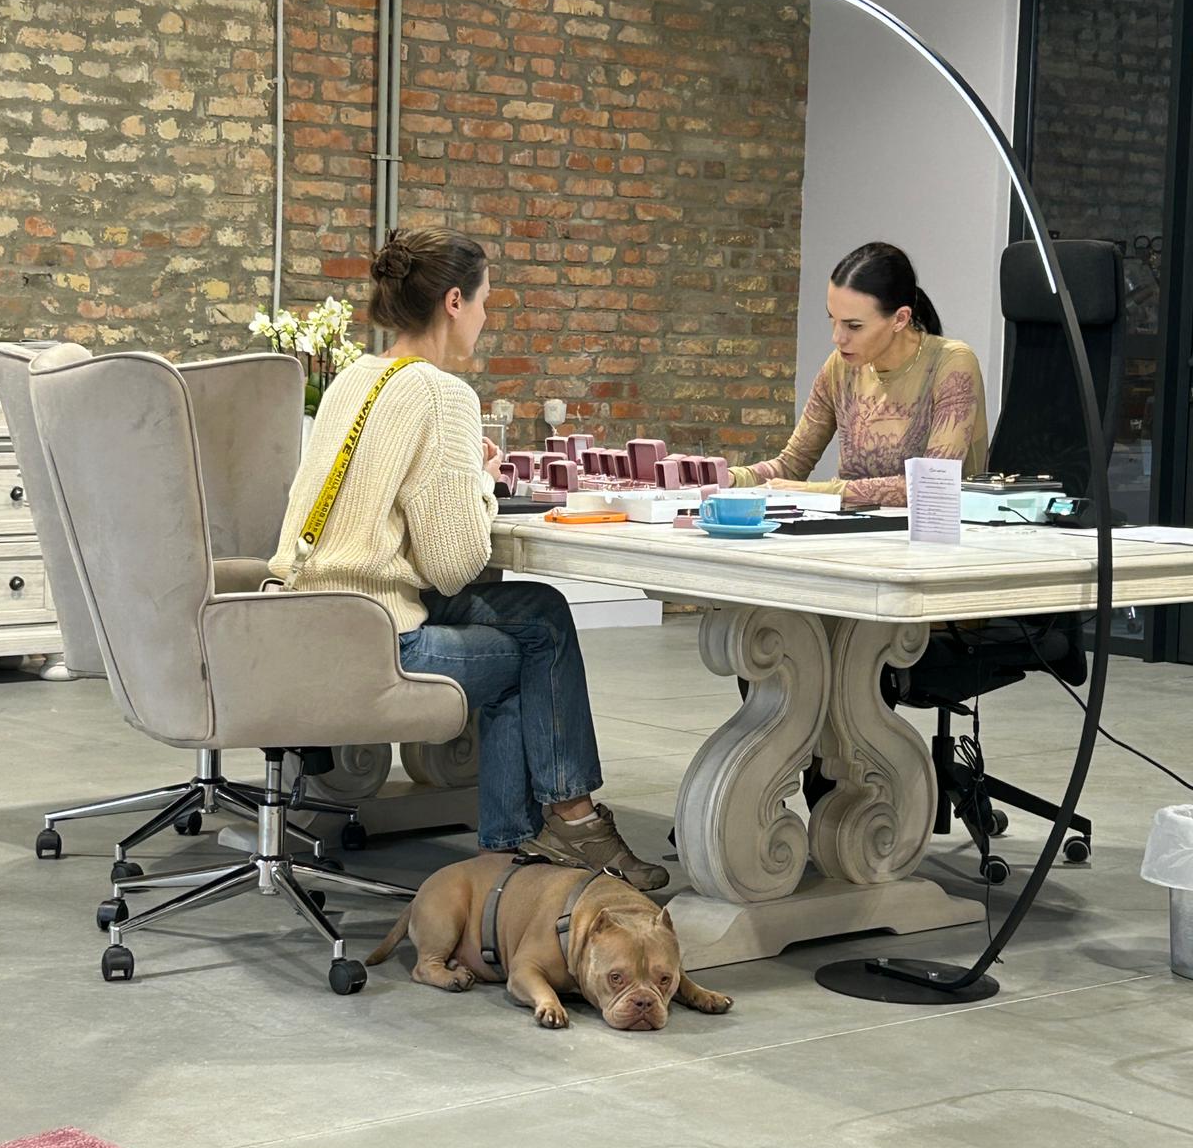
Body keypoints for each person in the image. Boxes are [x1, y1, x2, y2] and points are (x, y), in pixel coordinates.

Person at [270, 227, 667, 890]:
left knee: (540, 611)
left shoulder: (351, 379)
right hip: (373, 640)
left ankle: (552, 829)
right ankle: (534, 842)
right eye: (485, 302)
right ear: (454, 301)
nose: (485, 317)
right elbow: (454, 566)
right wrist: (480, 480)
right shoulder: (441, 394)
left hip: (303, 618)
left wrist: (461, 477)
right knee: (528, 655)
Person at [729, 241, 988, 505]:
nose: (837, 338)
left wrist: (817, 492)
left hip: (938, 529)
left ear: (900, 319)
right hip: (857, 526)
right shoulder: (840, 367)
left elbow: (934, 483)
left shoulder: (952, 363)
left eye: (853, 326)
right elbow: (791, 465)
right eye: (833, 320)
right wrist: (729, 478)